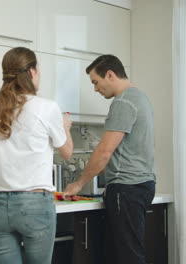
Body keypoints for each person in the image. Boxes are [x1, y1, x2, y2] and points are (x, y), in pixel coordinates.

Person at [0, 47, 73, 264]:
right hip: (35, 205)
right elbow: (66, 152)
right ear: (31, 72)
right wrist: (65, 127)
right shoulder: (47, 107)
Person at [63, 54, 156, 264]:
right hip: (142, 184)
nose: (95, 89)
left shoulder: (123, 102)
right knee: (123, 254)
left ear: (110, 74)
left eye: (96, 82)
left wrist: (78, 184)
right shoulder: (140, 97)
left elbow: (105, 151)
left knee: (127, 257)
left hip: (127, 189)